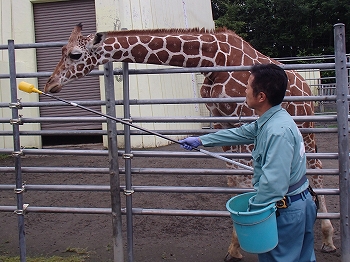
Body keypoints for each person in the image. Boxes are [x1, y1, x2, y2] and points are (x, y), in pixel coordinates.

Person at [179, 63, 317, 262]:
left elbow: (273, 185)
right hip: (296, 203)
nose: (245, 90)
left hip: (285, 210)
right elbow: (241, 132)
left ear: (261, 97)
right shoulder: (271, 120)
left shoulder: (277, 131)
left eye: (248, 86)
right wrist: (202, 140)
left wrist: (253, 212)